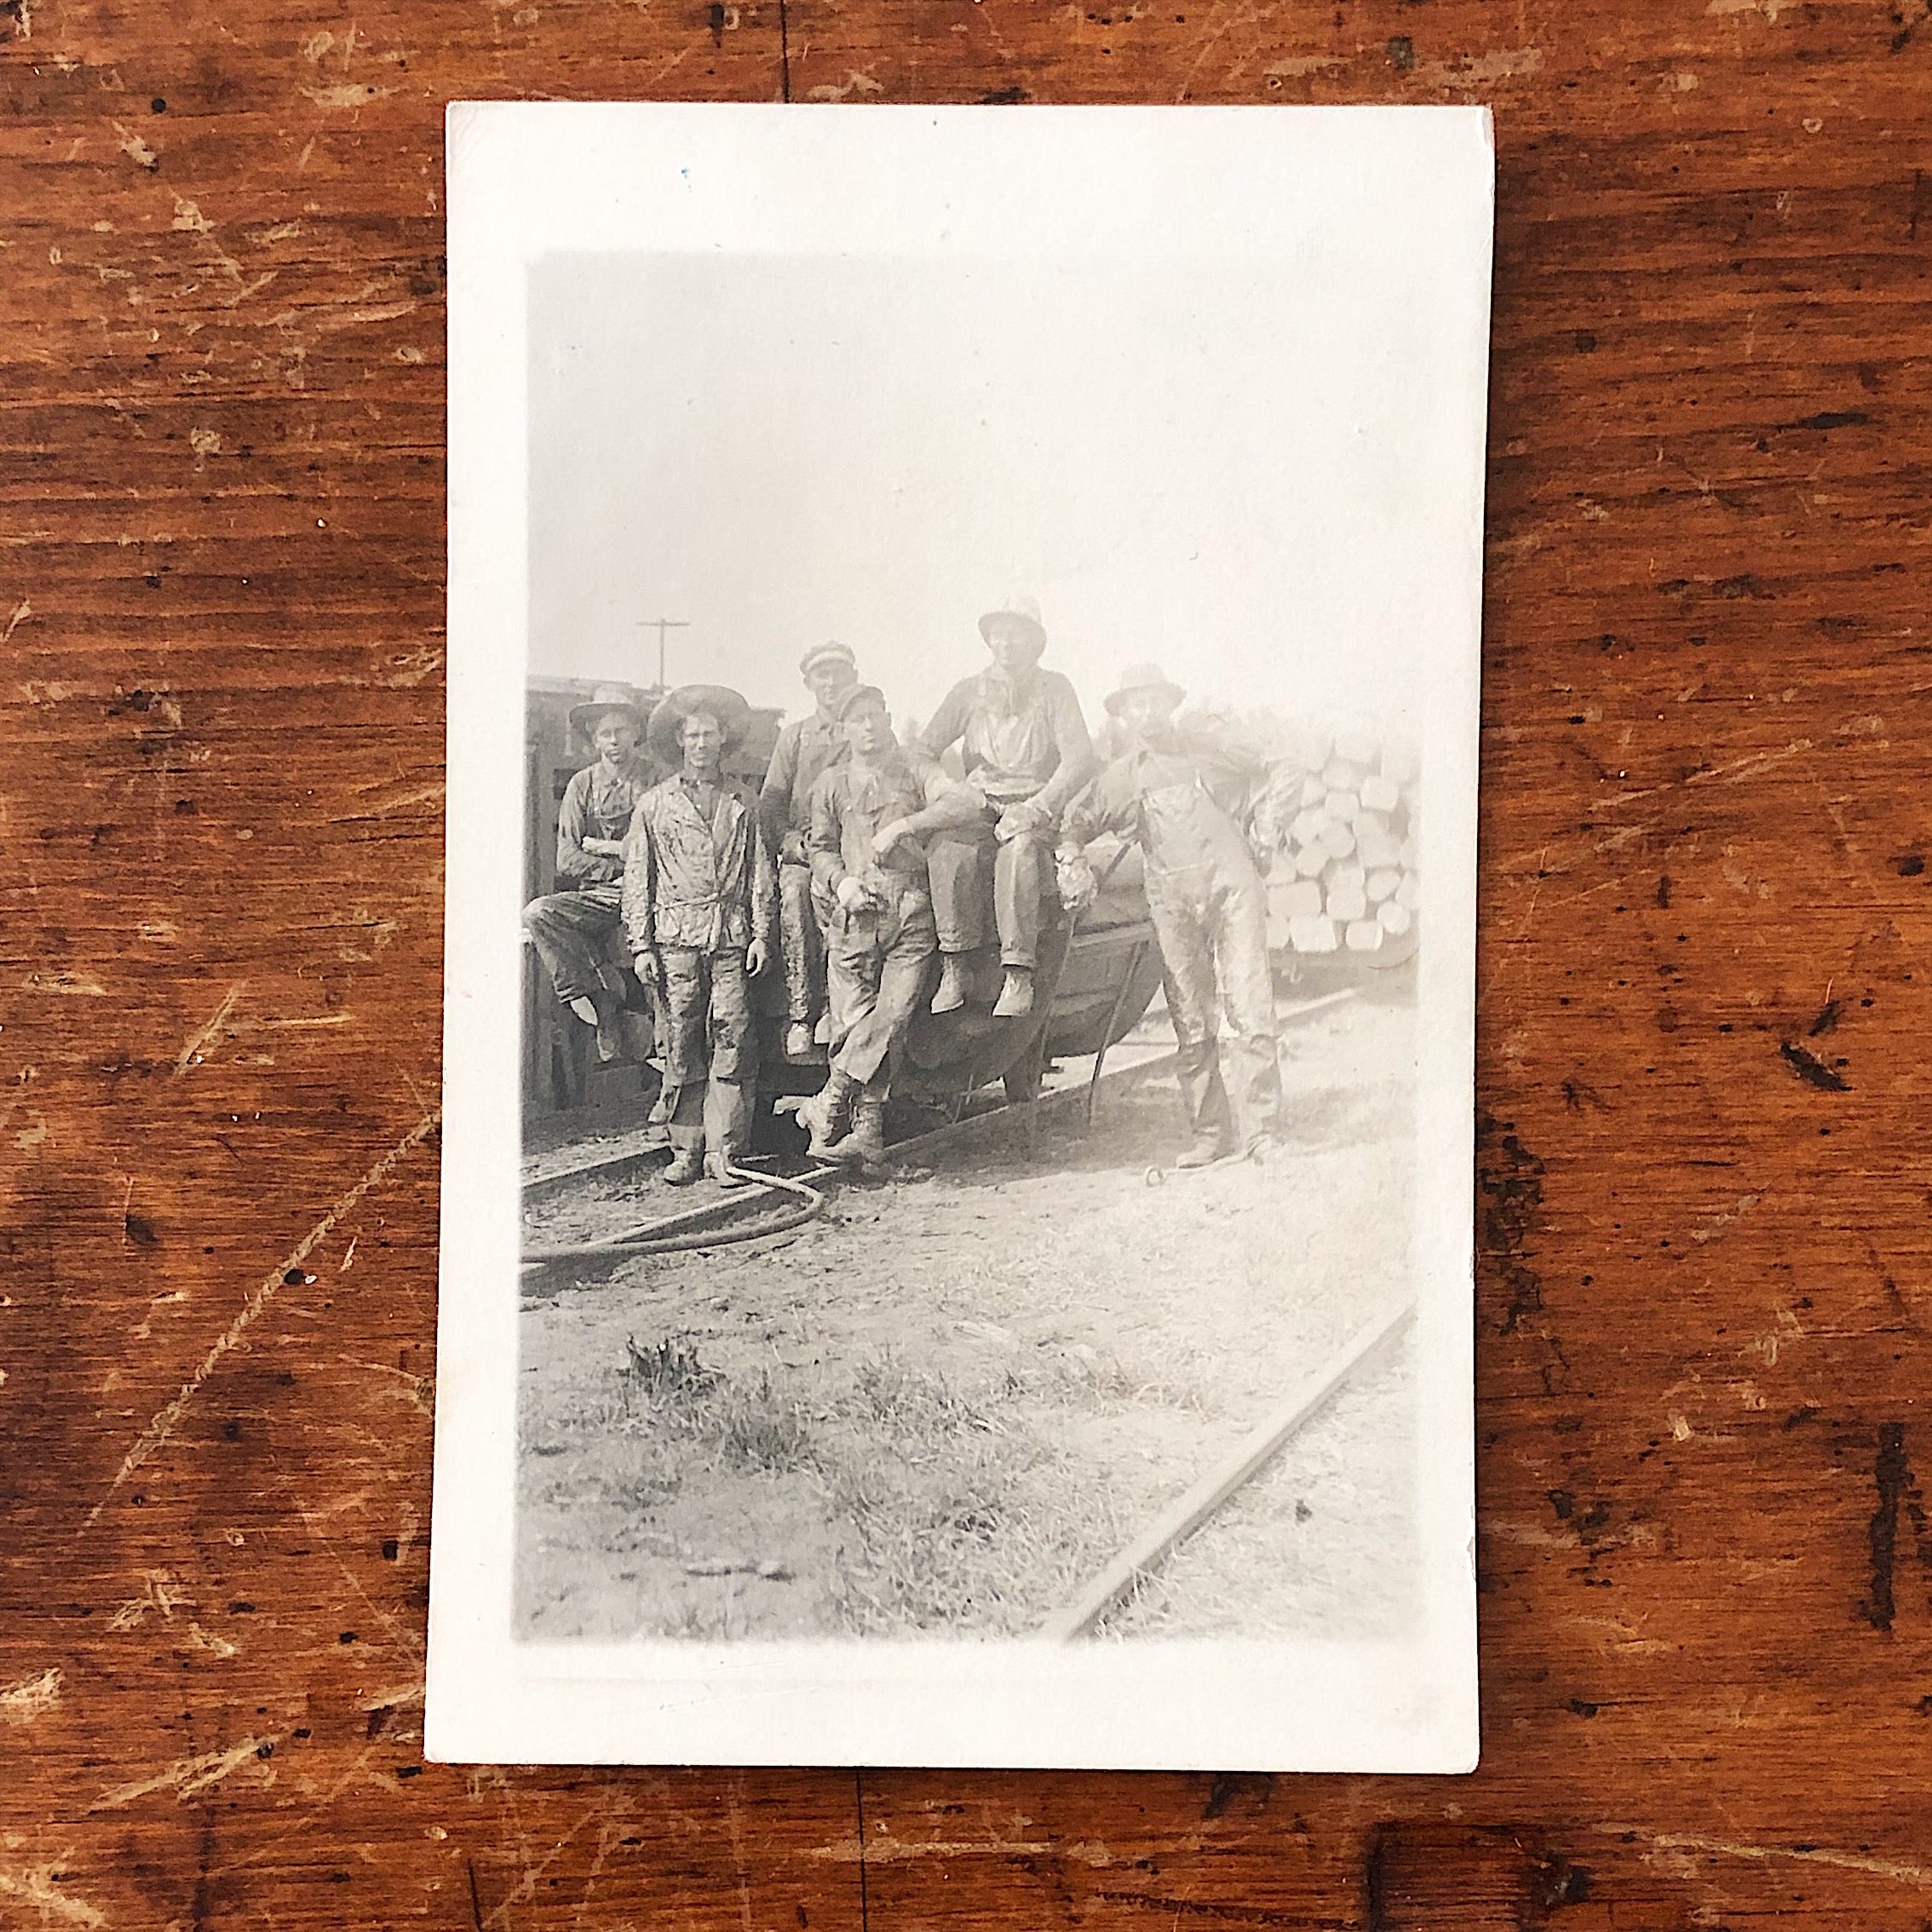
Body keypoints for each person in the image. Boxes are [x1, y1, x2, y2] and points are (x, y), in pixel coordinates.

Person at [1057, 662, 1285, 1167]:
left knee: (1250, 1006)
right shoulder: (1121, 777)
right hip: (1172, 901)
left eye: (1153, 701)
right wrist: (1072, 861)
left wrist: (1266, 831)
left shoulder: (1209, 749)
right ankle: (1210, 1135)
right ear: (1123, 716)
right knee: (1190, 1016)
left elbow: (1276, 764)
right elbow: (1074, 824)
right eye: (1134, 705)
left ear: (1169, 704)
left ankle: (1261, 1132)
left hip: (1232, 890)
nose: (1145, 713)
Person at [792, 685, 985, 1172]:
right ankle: (868, 1134)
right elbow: (819, 848)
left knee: (893, 1018)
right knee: (857, 1023)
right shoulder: (830, 783)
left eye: (876, 716)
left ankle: (831, 1099)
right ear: (844, 729)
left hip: (912, 915)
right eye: (858, 720)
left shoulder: (917, 769)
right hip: (855, 917)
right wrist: (842, 883)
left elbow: (964, 804)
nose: (869, 727)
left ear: (889, 717)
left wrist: (906, 827)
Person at [622, 685, 777, 1187]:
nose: (702, 743)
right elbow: (638, 879)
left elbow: (760, 875)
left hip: (731, 937)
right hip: (675, 942)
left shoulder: (743, 802)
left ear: (723, 739)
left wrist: (761, 935)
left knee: (732, 1037)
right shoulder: (653, 805)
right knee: (683, 1040)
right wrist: (641, 946)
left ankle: (726, 1151)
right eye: (693, 734)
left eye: (710, 734)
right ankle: (686, 1150)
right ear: (680, 741)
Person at [919, 595, 1096, 1019]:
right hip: (981, 803)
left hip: (1035, 804)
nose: (1006, 644)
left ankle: (1018, 972)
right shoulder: (967, 692)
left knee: (1018, 853)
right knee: (947, 846)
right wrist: (943, 784)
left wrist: (1039, 805)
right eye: (999, 634)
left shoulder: (1055, 688)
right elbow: (923, 749)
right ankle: (955, 964)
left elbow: (1078, 758)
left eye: (1016, 635)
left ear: (1035, 642)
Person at [521, 684, 654, 1064]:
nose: (614, 741)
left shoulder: (655, 781)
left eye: (621, 731)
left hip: (649, 890)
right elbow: (567, 858)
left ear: (635, 733)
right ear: (595, 739)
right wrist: (616, 864)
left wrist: (609, 848)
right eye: (605, 733)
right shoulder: (583, 785)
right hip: (600, 895)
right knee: (538, 913)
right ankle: (604, 998)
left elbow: (661, 844)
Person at [758, 641, 858, 1058]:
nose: (831, 682)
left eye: (839, 673)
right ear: (809, 683)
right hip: (805, 849)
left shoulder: (863, 730)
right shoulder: (794, 736)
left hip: (853, 849)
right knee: (796, 894)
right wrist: (789, 843)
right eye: (823, 675)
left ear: (853, 678)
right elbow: (771, 803)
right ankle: (801, 1013)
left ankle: (843, 1009)